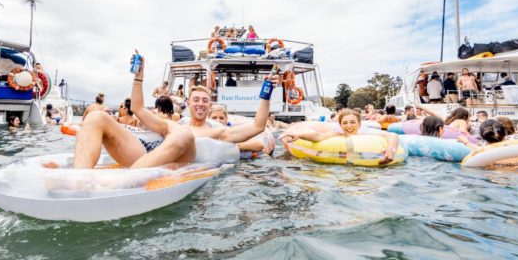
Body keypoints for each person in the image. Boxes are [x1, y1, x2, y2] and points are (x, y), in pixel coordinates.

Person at [72, 55, 279, 169]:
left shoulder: (218, 131)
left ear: (209, 106)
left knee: (183, 135)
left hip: (178, 162)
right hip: (149, 155)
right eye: (196, 100)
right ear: (188, 104)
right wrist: (139, 76)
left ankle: (131, 177)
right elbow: (137, 109)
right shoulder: (173, 124)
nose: (200, 104)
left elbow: (257, 126)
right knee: (96, 117)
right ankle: (77, 181)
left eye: (205, 101)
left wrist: (266, 94)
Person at [280, 109, 399, 165]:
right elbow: (319, 136)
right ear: (340, 125)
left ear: (359, 123)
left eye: (353, 122)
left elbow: (392, 135)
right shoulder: (338, 134)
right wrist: (299, 135)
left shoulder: (365, 132)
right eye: (345, 123)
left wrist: (391, 150)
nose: (349, 126)